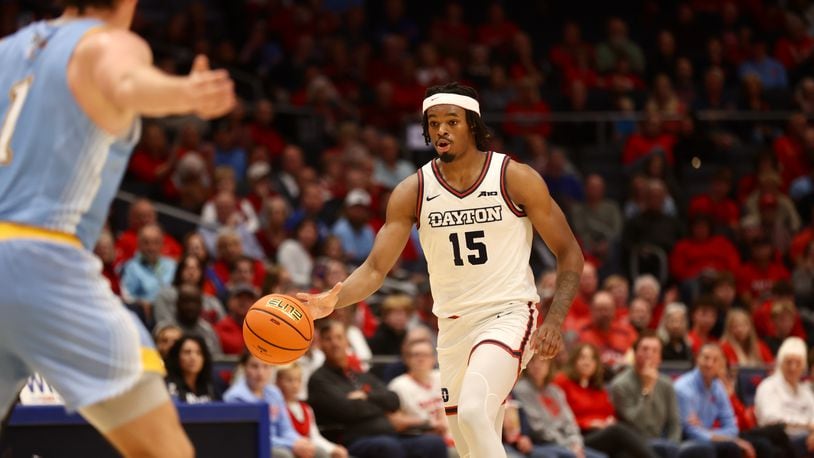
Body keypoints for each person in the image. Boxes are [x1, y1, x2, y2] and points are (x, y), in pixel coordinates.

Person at [298, 82, 584, 458]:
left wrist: (555, 320)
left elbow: (570, 254)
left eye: (452, 121)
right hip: (452, 327)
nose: (441, 130)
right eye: (433, 123)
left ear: (473, 125)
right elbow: (374, 268)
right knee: (470, 447)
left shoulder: (514, 177)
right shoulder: (413, 190)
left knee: (472, 415)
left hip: (508, 314)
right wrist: (330, 301)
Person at [0, 0, 234, 455]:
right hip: (41, 263)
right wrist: (185, 94)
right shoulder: (106, 43)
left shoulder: (6, 50)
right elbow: (125, 80)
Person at [307, 320, 447, 458]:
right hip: (352, 441)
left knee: (433, 443)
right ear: (320, 345)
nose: (335, 343)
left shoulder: (359, 374)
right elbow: (348, 410)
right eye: (328, 339)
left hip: (391, 436)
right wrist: (380, 404)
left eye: (339, 337)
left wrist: (366, 396)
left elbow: (393, 400)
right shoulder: (319, 379)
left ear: (347, 341)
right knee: (388, 447)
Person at [610, 331, 712, 458]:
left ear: (660, 358)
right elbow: (637, 423)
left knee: (704, 450)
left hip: (663, 442)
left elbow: (674, 422)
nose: (649, 354)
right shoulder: (620, 385)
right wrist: (647, 388)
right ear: (635, 353)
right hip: (633, 444)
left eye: (654, 351)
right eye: (645, 349)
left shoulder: (666, 383)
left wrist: (673, 446)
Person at [509, 354, 607, 458]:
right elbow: (538, 428)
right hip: (542, 443)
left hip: (566, 443)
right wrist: (568, 446)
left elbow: (570, 422)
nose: (537, 366)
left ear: (549, 365)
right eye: (532, 362)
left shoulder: (556, 391)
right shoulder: (521, 390)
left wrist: (576, 444)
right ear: (526, 365)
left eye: (542, 362)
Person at [224, 353, 317, 458]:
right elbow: (251, 437)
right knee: (284, 455)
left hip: (280, 443)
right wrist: (291, 444)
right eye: (254, 366)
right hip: (253, 447)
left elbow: (286, 429)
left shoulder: (274, 393)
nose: (260, 373)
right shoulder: (235, 397)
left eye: (266, 366)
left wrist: (300, 441)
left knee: (317, 451)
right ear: (244, 368)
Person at [674, 344, 756, 458]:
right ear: (697, 359)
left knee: (759, 444)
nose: (709, 364)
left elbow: (732, 427)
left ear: (720, 364)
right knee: (730, 447)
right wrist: (721, 437)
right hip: (685, 439)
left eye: (715, 360)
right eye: (706, 358)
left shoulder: (717, 387)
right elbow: (690, 431)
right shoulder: (683, 388)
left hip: (707, 437)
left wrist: (706, 431)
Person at [276, 363, 349, 458]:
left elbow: (314, 437)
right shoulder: (277, 408)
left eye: (297, 380)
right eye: (289, 380)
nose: (294, 385)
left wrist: (334, 448)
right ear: (278, 382)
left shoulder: (306, 409)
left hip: (308, 451)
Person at [164, 335, 217, 404]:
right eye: (187, 352)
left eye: (199, 353)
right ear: (176, 356)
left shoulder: (210, 386)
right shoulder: (168, 386)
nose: (193, 358)